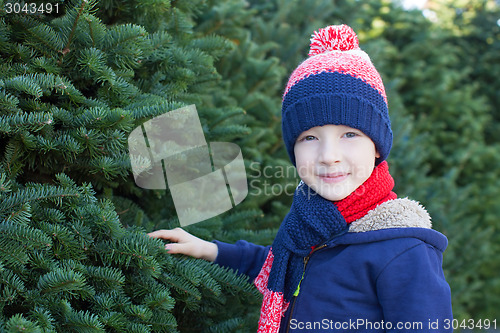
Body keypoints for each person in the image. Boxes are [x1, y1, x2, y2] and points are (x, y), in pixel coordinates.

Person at [148, 24, 453, 332]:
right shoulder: (309, 225)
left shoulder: (404, 251)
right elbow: (278, 264)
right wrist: (211, 250)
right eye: (309, 138)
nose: (328, 155)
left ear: (377, 147)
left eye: (349, 134)